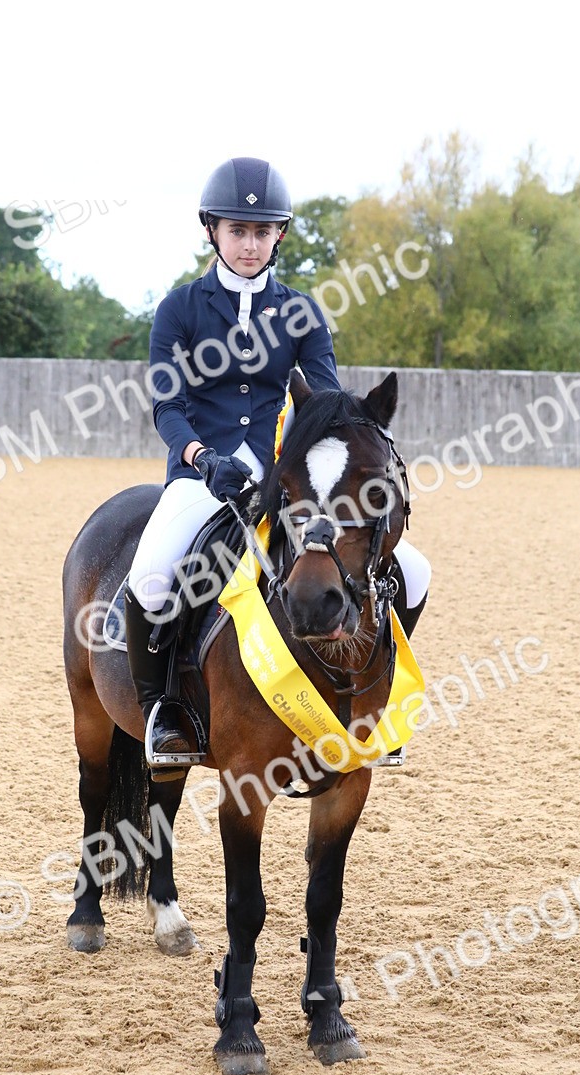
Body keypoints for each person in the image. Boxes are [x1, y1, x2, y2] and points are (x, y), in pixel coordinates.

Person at [124, 156, 430, 770]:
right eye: (238, 230)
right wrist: (200, 457)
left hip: (283, 484)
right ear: (211, 230)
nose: (250, 243)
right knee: (154, 574)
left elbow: (324, 406)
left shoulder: (303, 314)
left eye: (262, 231)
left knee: (414, 572)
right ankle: (166, 713)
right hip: (202, 477)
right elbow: (167, 405)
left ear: (279, 235)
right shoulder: (178, 310)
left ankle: (372, 699)